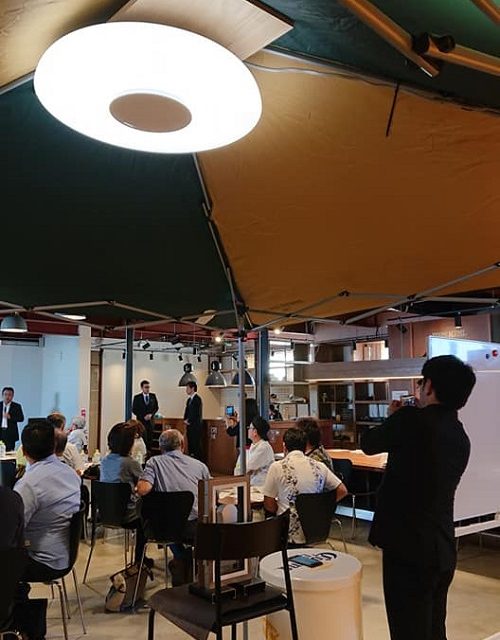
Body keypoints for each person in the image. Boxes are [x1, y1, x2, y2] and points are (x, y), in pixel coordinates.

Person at [360, 355, 476, 640]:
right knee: (434, 629)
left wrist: (393, 416)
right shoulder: (460, 435)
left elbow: (369, 443)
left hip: (407, 549)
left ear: (429, 386)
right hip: (442, 547)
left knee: (407, 631)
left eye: (421, 382)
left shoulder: (410, 420)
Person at [137, 429, 210, 584]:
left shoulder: (154, 463)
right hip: (194, 527)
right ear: (182, 445)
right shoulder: (200, 466)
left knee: (165, 520)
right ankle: (185, 561)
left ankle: (181, 558)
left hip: (163, 528)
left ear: (160, 447)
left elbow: (143, 489)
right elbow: (211, 492)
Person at [14, 419, 81, 576]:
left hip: (39, 559)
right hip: (65, 556)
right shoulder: (71, 474)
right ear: (54, 446)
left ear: (24, 451)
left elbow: (14, 528)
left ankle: (17, 591)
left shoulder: (28, 485)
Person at [263, 427, 347, 543]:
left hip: (288, 532)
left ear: (284, 447)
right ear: (305, 447)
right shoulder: (319, 466)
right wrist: (323, 506)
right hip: (316, 528)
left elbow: (269, 504)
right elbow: (342, 490)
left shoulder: (277, 467)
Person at [100, 422, 148, 565]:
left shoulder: (104, 461)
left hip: (107, 513)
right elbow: (144, 484)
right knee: (148, 517)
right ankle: (140, 559)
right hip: (128, 515)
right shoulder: (130, 463)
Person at [234, 416, 275, 487]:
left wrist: (244, 469)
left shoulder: (264, 447)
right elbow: (239, 469)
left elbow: (247, 467)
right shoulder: (254, 445)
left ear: (255, 432)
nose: (248, 430)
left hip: (260, 486)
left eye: (249, 428)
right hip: (251, 483)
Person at [132, 380, 159, 451]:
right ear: (142, 388)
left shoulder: (153, 396)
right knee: (142, 438)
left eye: (148, 387)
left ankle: (149, 453)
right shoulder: (137, 397)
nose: (147, 389)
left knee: (150, 439)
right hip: (141, 421)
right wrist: (143, 416)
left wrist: (151, 414)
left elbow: (156, 407)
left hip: (150, 422)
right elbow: (134, 409)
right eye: (146, 387)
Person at [183, 381, 203, 460]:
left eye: (187, 388)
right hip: (189, 426)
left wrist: (189, 420)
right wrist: (185, 419)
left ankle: (197, 461)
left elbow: (196, 413)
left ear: (192, 388)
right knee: (190, 444)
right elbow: (187, 411)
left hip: (195, 426)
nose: (186, 390)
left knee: (196, 445)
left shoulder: (197, 399)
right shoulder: (189, 400)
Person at [1, 386, 24, 451]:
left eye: (9, 395)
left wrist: (10, 417)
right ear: (2, 395)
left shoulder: (17, 406)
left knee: (9, 451)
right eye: (5, 394)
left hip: (10, 433)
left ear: (12, 396)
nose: (7, 397)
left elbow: (21, 418)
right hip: (1, 431)